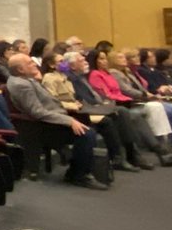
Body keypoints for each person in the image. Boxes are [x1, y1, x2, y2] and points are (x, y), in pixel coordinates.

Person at [6, 54, 106, 188]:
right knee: (87, 134)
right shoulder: (21, 84)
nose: (35, 64)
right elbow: (37, 112)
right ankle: (79, 175)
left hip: (53, 118)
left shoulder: (26, 80)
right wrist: (69, 120)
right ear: (20, 70)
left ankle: (75, 172)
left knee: (91, 130)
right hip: (41, 126)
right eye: (30, 63)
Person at [87, 48, 172, 166]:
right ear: (94, 61)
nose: (105, 61)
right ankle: (147, 153)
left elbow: (119, 92)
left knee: (139, 115)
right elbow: (106, 95)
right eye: (101, 59)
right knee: (137, 114)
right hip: (113, 105)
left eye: (105, 58)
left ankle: (160, 151)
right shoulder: (95, 75)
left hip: (124, 103)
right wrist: (133, 98)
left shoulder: (107, 73)